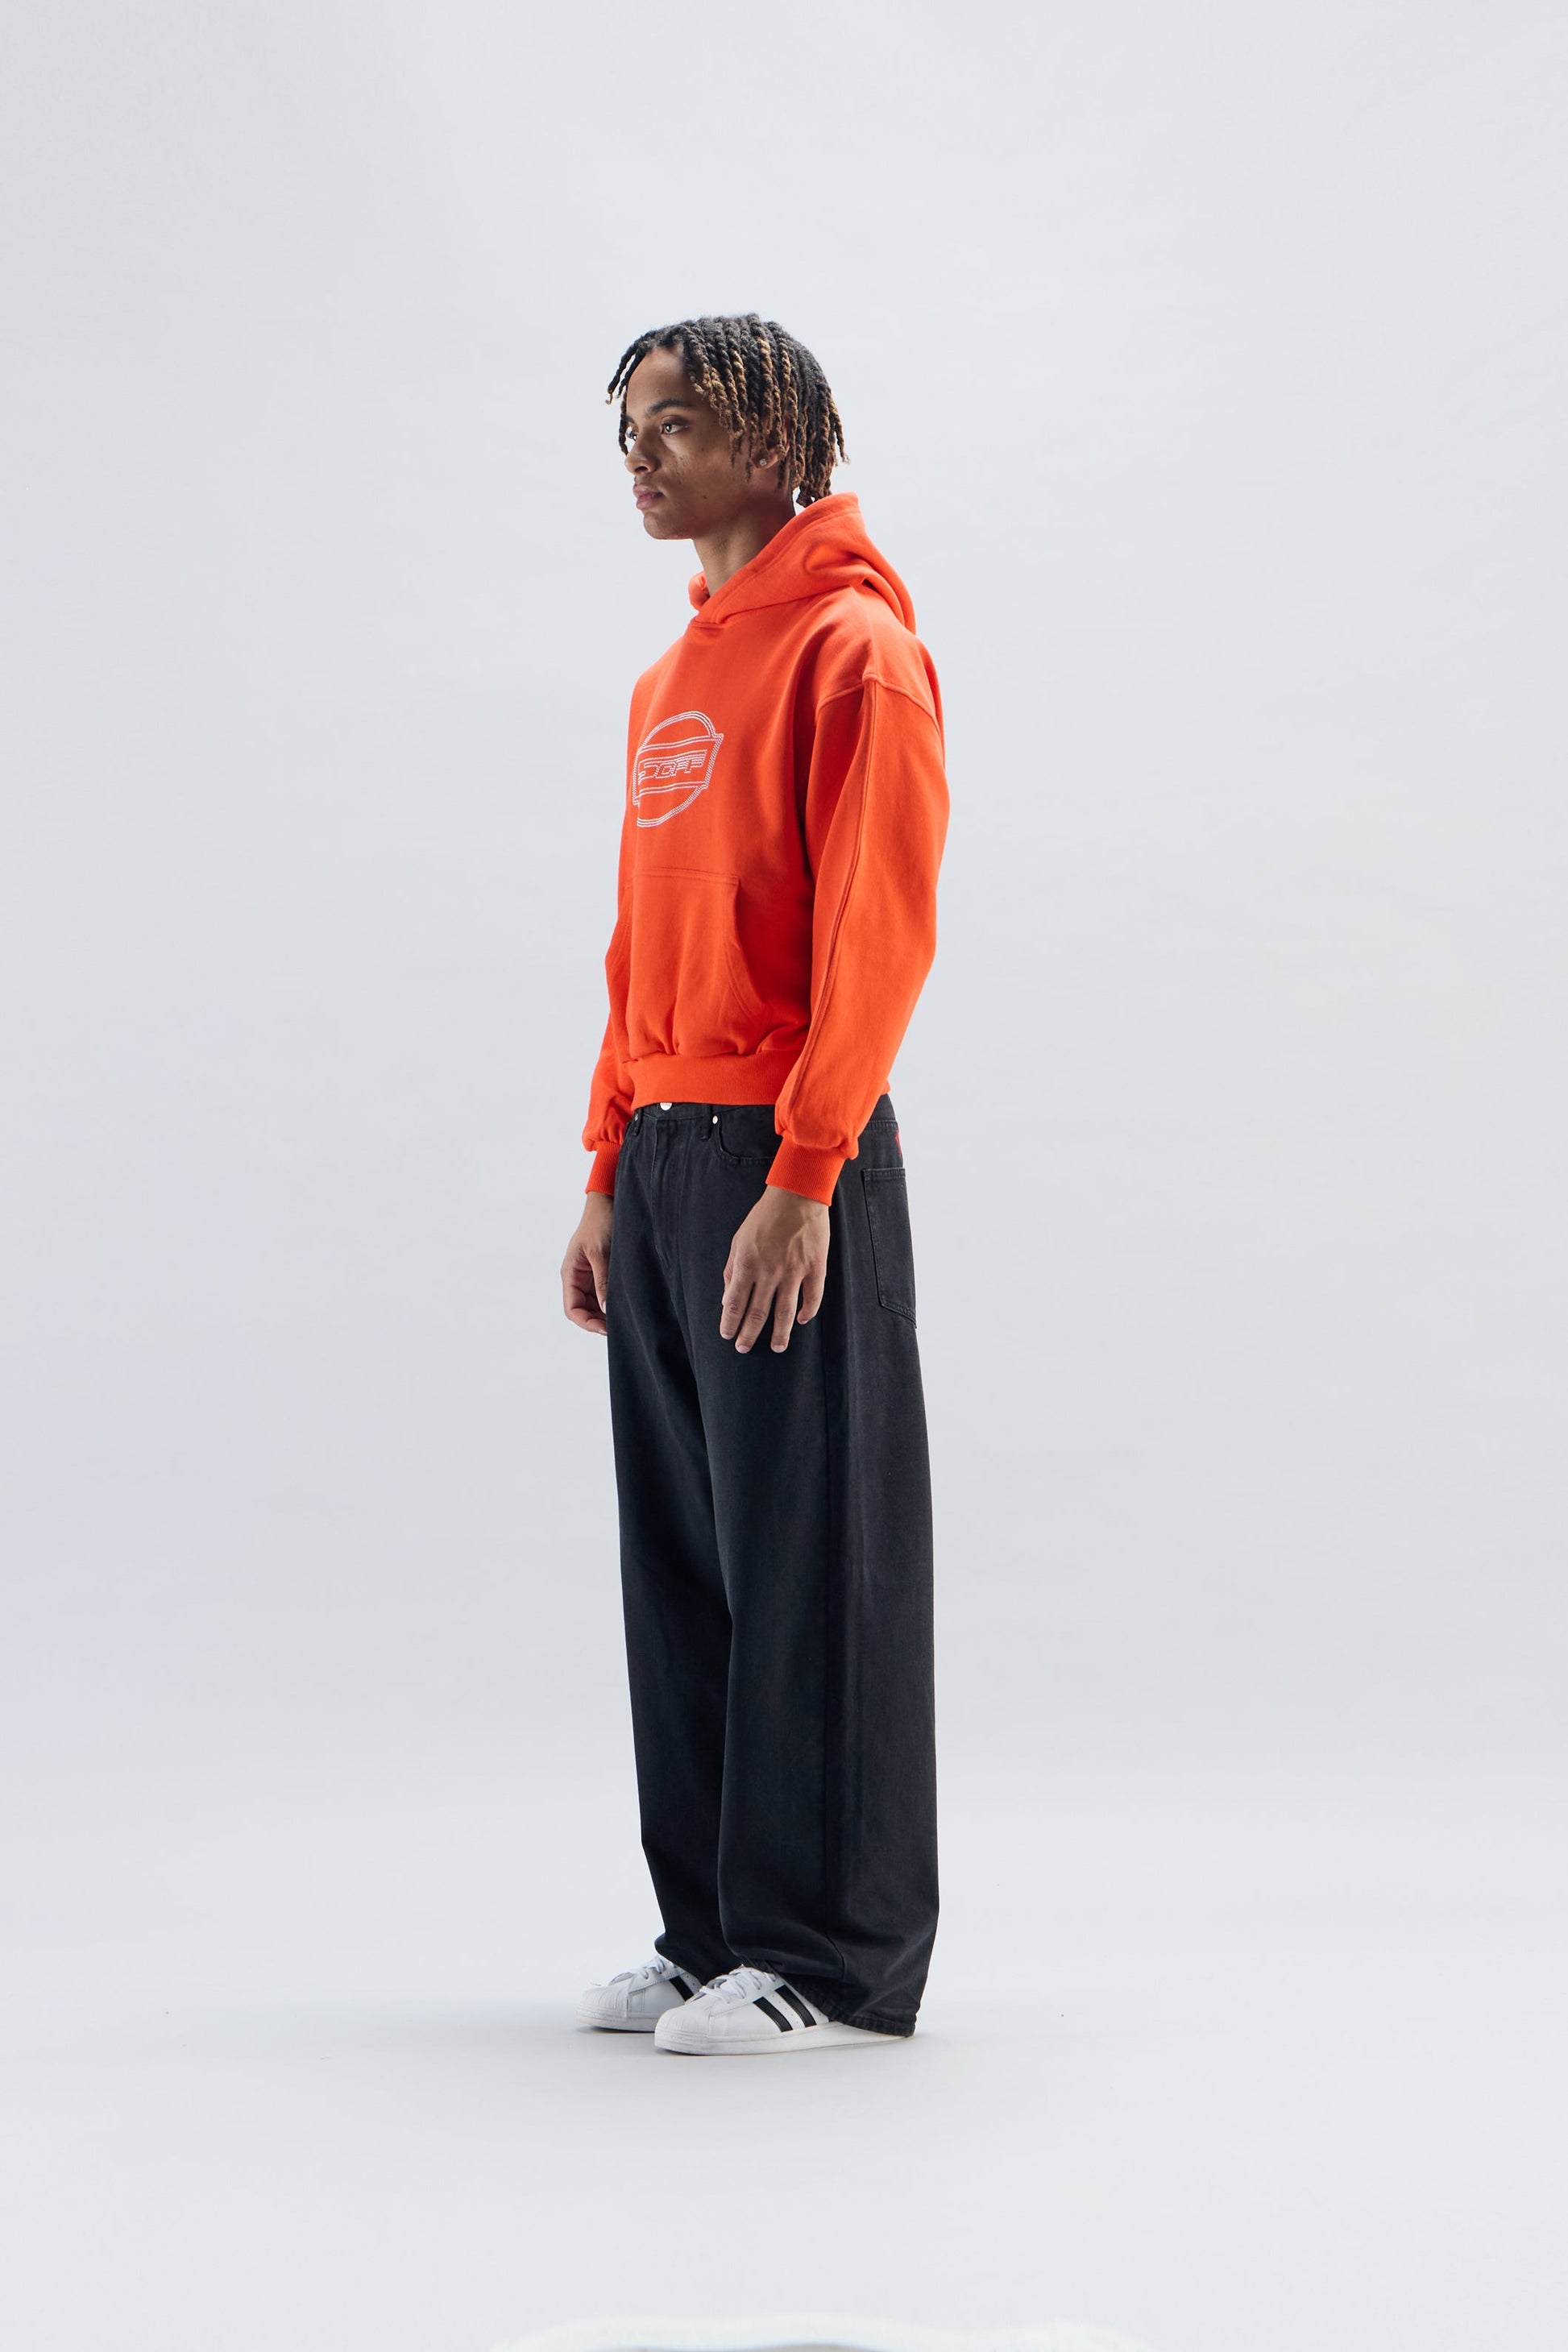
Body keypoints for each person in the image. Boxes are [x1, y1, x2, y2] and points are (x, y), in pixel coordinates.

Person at [559, 313, 948, 2055]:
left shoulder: (854, 653)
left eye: (678, 424)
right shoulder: (670, 681)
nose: (641, 456)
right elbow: (641, 942)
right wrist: (607, 1163)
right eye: (629, 429)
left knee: (812, 1554)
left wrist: (806, 1168)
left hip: (790, 1156)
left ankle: (834, 1957)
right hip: (665, 1153)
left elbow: (879, 932)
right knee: (686, 1561)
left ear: (773, 443)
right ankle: (711, 1925)